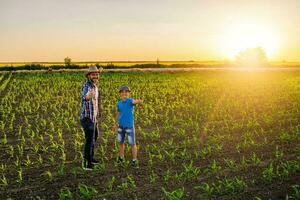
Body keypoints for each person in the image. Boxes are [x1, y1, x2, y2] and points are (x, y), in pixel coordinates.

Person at [113, 86, 142, 166]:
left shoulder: (130, 101)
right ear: (120, 94)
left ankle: (134, 160)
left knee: (132, 143)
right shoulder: (119, 103)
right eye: (122, 92)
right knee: (120, 143)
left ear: (128, 94)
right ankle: (121, 158)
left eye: (126, 92)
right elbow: (118, 113)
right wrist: (115, 124)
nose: (124, 93)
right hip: (120, 126)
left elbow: (134, 102)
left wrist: (138, 101)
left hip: (129, 126)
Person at [80, 66, 103, 170]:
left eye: (97, 74)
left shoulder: (95, 86)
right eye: (93, 74)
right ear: (89, 76)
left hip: (93, 117)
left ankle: (91, 157)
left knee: (95, 136)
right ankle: (86, 163)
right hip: (87, 118)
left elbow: (97, 101)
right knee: (89, 140)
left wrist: (99, 112)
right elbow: (85, 96)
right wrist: (88, 96)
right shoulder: (87, 86)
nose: (95, 76)